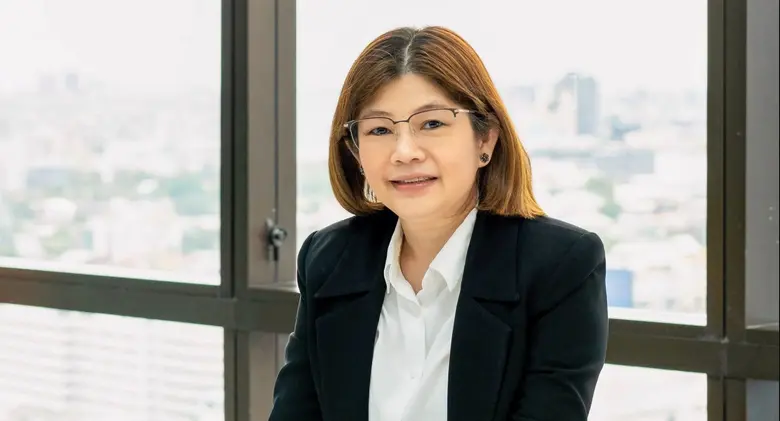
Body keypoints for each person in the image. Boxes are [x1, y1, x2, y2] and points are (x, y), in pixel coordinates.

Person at [269, 26, 608, 421]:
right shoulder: (328, 259)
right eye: (379, 129)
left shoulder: (560, 266)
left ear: (485, 139)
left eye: (431, 123)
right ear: (356, 152)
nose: (404, 152)